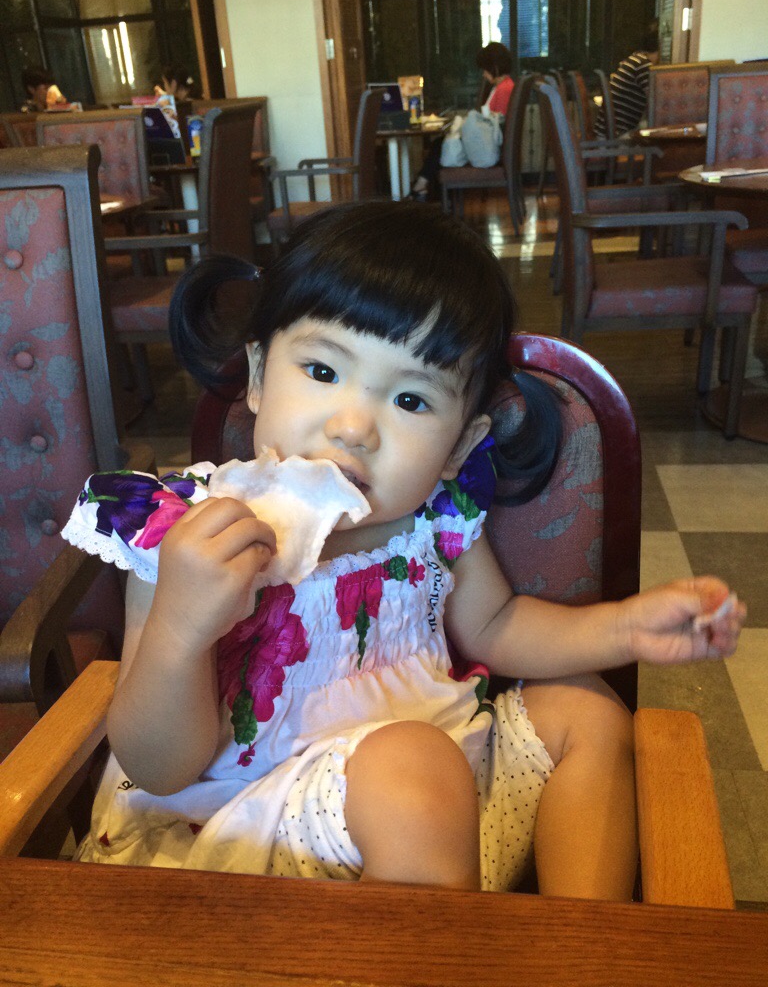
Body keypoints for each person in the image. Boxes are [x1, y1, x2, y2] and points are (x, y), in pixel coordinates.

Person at [61, 201, 744, 899]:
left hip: (441, 813)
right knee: (413, 769)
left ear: (459, 446)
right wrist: (180, 629)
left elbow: (498, 626)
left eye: (411, 402)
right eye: (323, 371)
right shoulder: (183, 536)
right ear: (259, 376)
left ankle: (577, 943)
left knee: (589, 712)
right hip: (247, 842)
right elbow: (156, 767)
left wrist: (625, 628)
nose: (354, 427)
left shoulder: (433, 521)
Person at [409, 42, 514, 201]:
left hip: (488, 149)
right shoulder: (503, 86)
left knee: (440, 145)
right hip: (488, 144)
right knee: (440, 144)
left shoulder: (504, 90)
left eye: (485, 70)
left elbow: (495, 124)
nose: (484, 75)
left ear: (494, 68)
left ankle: (423, 187)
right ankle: (424, 186)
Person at [596, 23, 660, 137]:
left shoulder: (634, 60)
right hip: (620, 135)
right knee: (658, 129)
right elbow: (655, 102)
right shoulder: (643, 65)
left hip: (607, 132)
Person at [153, 63, 194, 138]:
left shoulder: (183, 107)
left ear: (173, 84)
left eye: (165, 83)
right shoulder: (193, 98)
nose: (165, 86)